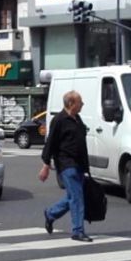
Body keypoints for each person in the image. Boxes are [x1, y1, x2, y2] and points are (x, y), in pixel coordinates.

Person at [39, 91, 92, 243]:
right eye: (80, 102)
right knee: (77, 197)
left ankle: (50, 214)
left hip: (79, 164)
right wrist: (46, 165)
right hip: (66, 164)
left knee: (73, 197)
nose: (82, 105)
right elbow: (50, 143)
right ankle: (78, 231)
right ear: (71, 104)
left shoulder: (77, 119)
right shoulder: (59, 120)